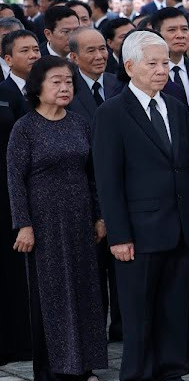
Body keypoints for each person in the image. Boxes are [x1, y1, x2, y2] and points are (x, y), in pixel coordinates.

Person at [92, 30, 189, 381]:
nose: (162, 70)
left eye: (165, 63)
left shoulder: (176, 107)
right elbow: (107, 179)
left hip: (179, 225)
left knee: (174, 308)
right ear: (129, 66)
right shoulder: (112, 112)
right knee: (139, 310)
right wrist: (119, 233)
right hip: (138, 232)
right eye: (153, 63)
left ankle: (173, 380)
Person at [7, 56, 108, 381]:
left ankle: (83, 365)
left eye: (68, 81)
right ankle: (48, 371)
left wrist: (99, 215)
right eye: (56, 82)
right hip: (44, 222)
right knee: (49, 294)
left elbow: (92, 175)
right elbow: (15, 180)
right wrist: (23, 223)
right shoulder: (25, 128)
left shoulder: (79, 123)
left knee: (86, 290)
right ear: (38, 87)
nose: (65, 87)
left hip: (80, 220)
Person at [151, 6, 189, 354]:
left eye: (184, 29)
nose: (180, 35)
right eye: (171, 29)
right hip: (167, 182)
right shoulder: (144, 80)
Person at [67, 28, 124, 340]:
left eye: (103, 49)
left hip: (124, 190)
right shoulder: (67, 90)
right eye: (90, 51)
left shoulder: (119, 84)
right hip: (85, 190)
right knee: (90, 270)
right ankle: (92, 333)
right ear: (73, 57)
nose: (100, 56)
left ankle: (123, 326)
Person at [0, 37, 31, 366]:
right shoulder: (6, 92)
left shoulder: (10, 94)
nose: (32, 56)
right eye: (25, 50)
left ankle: (22, 341)